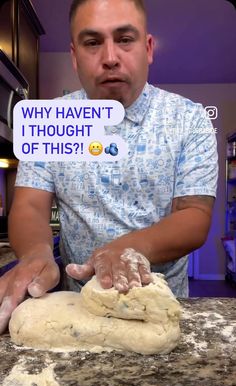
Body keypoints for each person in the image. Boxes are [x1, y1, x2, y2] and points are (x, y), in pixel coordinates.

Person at [0, 0, 218, 334]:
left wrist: (129, 247)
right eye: (93, 42)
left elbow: (194, 215)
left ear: (147, 48)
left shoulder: (189, 120)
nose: (110, 57)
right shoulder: (52, 119)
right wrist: (35, 252)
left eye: (125, 39)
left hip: (158, 309)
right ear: (74, 55)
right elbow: (29, 204)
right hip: (75, 311)